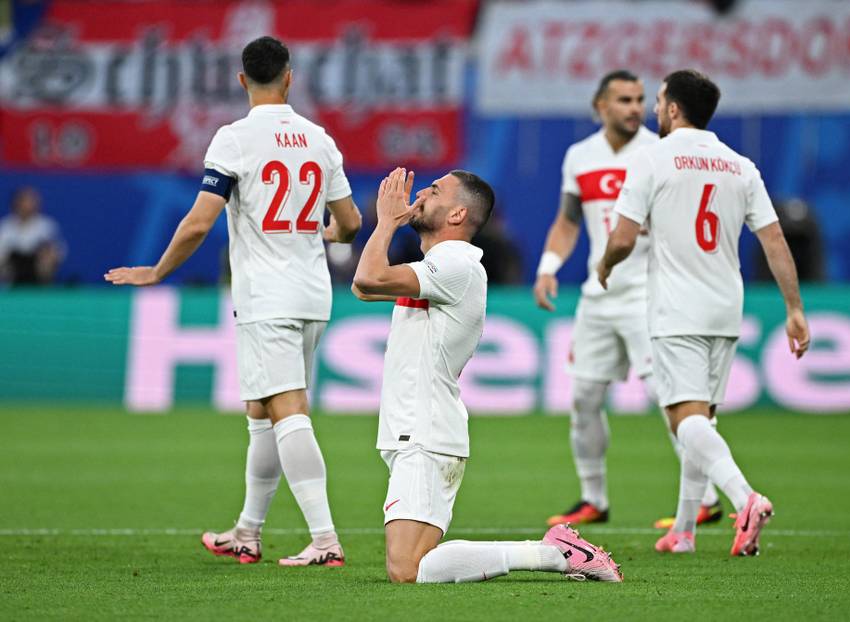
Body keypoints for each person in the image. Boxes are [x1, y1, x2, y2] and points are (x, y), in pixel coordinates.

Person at [105, 36, 362, 567]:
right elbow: (352, 223)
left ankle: (325, 539)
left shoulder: (234, 139)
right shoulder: (320, 139)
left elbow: (200, 220)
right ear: (290, 77)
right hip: (313, 294)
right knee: (262, 409)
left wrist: (157, 271)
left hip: (266, 295)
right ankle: (247, 531)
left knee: (286, 408)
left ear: (242, 81)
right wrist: (323, 232)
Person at [352, 167, 622, 584]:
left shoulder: (457, 263)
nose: (421, 192)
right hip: (417, 428)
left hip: (425, 430)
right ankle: (555, 553)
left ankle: (554, 554)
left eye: (435, 189)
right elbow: (364, 287)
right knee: (413, 563)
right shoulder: (438, 264)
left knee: (407, 568)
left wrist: (386, 221)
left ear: (458, 214)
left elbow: (368, 276)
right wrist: (388, 225)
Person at [598, 69, 810, 555]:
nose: (654, 110)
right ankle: (685, 531)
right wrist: (794, 308)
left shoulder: (652, 159)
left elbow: (624, 237)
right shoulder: (741, 165)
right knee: (701, 420)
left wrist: (606, 263)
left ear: (674, 108)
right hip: (725, 305)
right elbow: (773, 240)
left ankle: (744, 498)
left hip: (677, 306)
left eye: (658, 102)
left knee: (683, 419)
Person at [533, 70, 721, 529]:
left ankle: (707, 497)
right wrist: (548, 267)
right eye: (624, 99)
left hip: (650, 293)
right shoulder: (580, 156)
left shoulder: (660, 152)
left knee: (670, 396)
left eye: (640, 99)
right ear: (600, 106)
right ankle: (593, 498)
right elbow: (568, 220)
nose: (636, 107)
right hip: (599, 294)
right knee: (583, 397)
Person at [0, 186, 66, 285]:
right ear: (16, 204)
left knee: (47, 258)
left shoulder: (46, 225)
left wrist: (49, 255)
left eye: (31, 202)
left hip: (35, 265)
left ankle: (43, 290)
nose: (28, 205)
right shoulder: (5, 226)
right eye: (25, 201)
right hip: (13, 266)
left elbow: (58, 251)